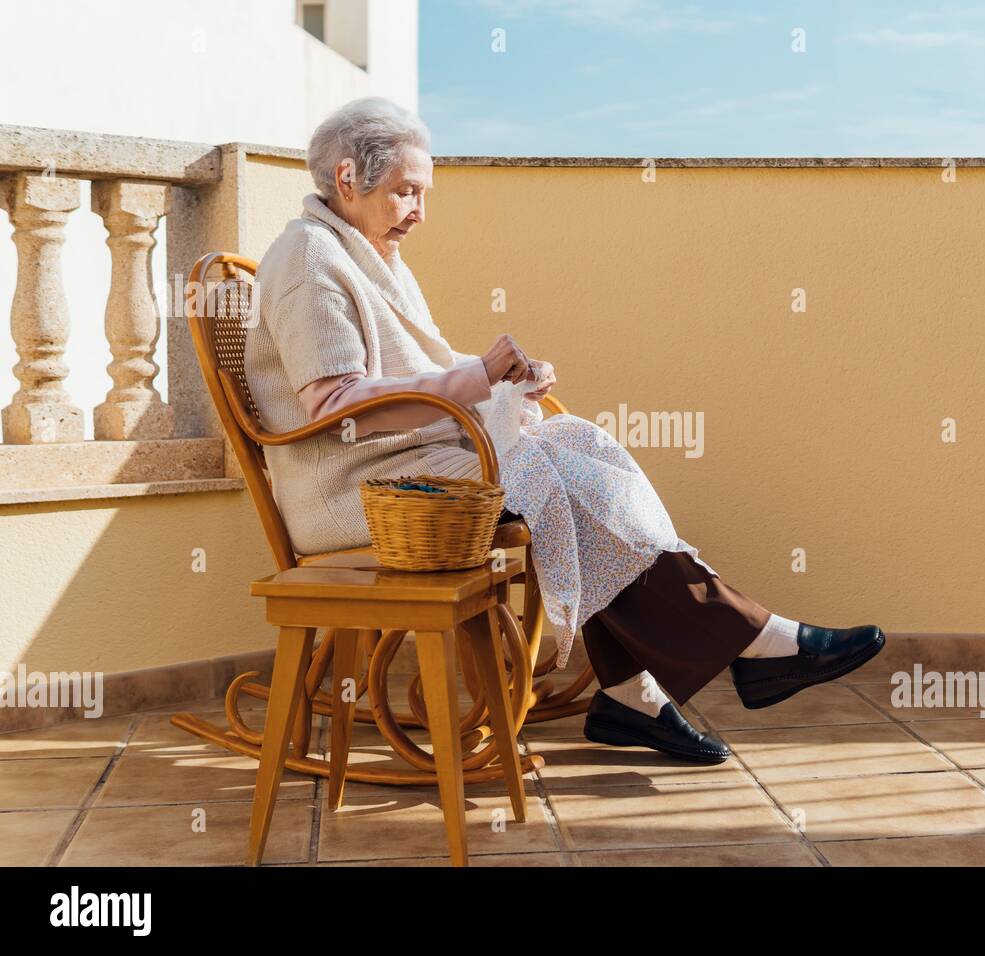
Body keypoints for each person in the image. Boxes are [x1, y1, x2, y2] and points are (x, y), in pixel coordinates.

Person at [244, 97, 886, 765]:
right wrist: (477, 379)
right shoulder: (307, 259)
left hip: (408, 468)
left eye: (422, 192)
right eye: (406, 191)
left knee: (579, 447)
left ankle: (634, 695)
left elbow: (418, 374)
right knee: (557, 479)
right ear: (348, 178)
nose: (419, 210)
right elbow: (334, 406)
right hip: (352, 491)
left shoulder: (368, 253)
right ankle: (748, 646)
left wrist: (503, 378)